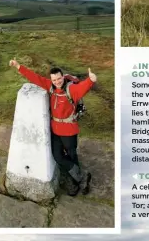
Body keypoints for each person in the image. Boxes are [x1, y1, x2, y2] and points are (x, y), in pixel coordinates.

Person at [9, 60, 96, 197]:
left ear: (63, 77)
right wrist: (18, 66)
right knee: (58, 156)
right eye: (54, 79)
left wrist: (91, 80)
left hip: (69, 130)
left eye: (59, 78)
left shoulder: (70, 89)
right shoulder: (50, 86)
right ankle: (82, 177)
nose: (57, 82)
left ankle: (75, 182)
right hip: (55, 130)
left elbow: (82, 88)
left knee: (72, 156)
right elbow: (34, 77)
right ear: (51, 79)